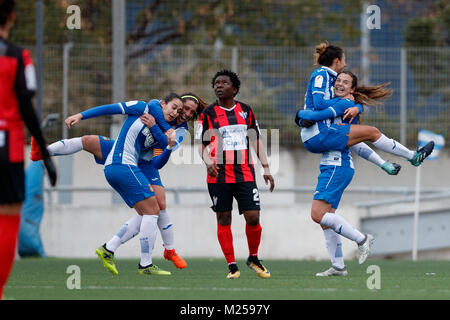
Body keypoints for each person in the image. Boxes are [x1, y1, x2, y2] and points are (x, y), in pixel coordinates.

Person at [35, 93, 206, 272]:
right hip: (125, 155)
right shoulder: (152, 108)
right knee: (88, 141)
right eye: (182, 108)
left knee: (158, 205)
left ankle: (164, 250)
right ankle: (43, 152)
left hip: (144, 162)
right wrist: (80, 115)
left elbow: (159, 160)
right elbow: (132, 106)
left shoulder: (180, 130)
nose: (184, 113)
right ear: (168, 104)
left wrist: (162, 135)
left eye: (190, 112)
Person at [296, 70, 434, 276]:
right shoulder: (339, 105)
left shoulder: (345, 108)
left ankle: (362, 239)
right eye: (338, 81)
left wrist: (301, 115)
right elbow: (354, 143)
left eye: (346, 82)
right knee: (327, 220)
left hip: (337, 166)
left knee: (318, 215)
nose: (340, 84)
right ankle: (338, 266)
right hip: (331, 166)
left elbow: (356, 142)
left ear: (352, 89)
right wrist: (382, 164)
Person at [65, 94, 182, 275]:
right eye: (175, 107)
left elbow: (159, 160)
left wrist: (166, 142)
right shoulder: (144, 108)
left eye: (182, 111)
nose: (178, 113)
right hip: (124, 163)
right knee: (153, 210)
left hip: (138, 166)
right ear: (163, 104)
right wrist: (80, 116)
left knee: (152, 211)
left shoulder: (173, 129)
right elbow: (111, 108)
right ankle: (147, 264)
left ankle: (109, 249)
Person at [0, 0, 57, 299]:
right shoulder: (19, 56)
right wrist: (45, 154)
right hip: (6, 146)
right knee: (8, 216)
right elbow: (26, 107)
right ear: (11, 16)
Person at [196, 70, 274, 279]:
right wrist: (208, 161)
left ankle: (253, 257)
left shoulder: (246, 111)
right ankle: (232, 266)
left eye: (223, 82)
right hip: (218, 175)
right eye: (216, 83)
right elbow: (201, 145)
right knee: (223, 218)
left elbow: (256, 140)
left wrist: (266, 168)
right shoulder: (207, 114)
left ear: (235, 89)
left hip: (244, 173)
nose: (218, 86)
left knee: (253, 216)